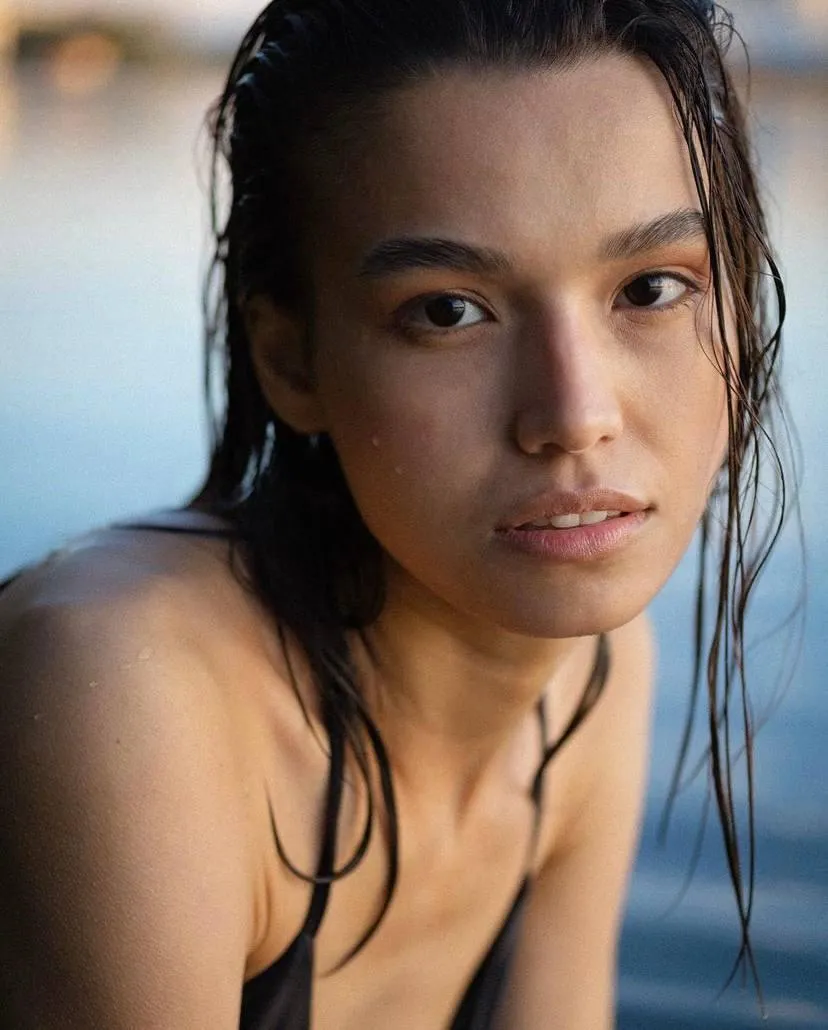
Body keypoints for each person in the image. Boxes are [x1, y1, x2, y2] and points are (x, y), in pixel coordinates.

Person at [0, 0, 789, 1027]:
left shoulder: (589, 679)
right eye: (447, 310)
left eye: (649, 287)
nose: (574, 415)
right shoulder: (127, 687)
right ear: (291, 358)